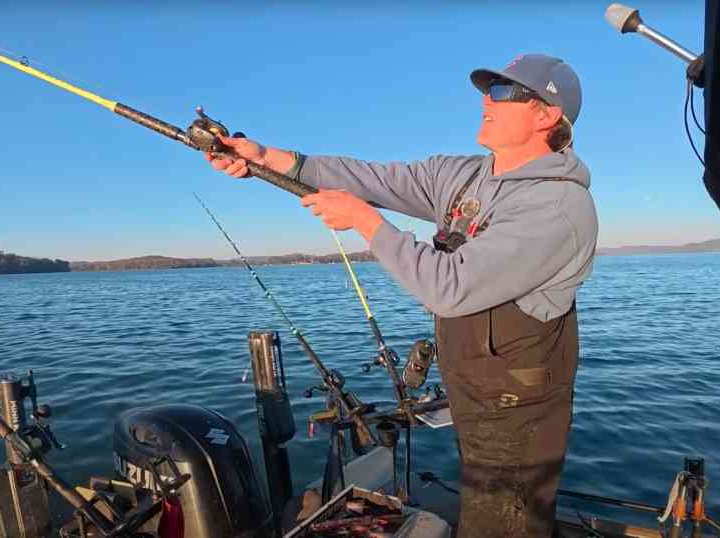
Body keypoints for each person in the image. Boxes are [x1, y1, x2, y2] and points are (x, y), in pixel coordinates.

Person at [207, 53, 597, 538]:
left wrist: (365, 221)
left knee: (505, 522)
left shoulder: (558, 206)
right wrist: (265, 157)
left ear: (547, 115)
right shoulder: (462, 175)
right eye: (487, 89)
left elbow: (447, 287)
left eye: (503, 92)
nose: (486, 100)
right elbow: (371, 179)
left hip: (519, 408)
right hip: (474, 389)